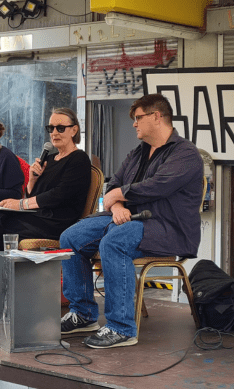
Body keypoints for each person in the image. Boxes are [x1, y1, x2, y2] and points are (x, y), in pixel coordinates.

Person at [59, 93, 203, 349]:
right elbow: (113, 184)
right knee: (71, 237)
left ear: (157, 116)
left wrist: (117, 195)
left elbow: (158, 186)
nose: (134, 124)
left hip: (168, 227)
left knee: (114, 242)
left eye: (138, 118)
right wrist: (116, 204)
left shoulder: (186, 153)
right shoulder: (139, 152)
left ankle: (121, 327)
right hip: (127, 219)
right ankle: (83, 314)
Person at [0, 108, 92, 326]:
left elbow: (59, 195)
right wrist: (33, 180)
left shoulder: (79, 158)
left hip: (57, 223)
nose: (54, 132)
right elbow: (35, 195)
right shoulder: (50, 159)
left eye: (60, 127)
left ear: (74, 130)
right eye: (50, 127)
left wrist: (21, 203)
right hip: (38, 217)